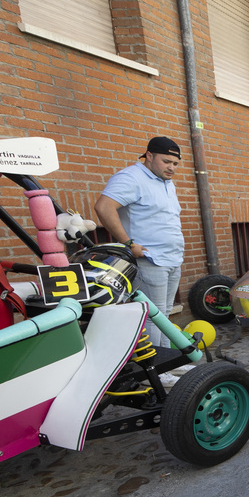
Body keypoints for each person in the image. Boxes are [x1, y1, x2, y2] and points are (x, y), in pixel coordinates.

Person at [94, 136, 185, 354]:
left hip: (171, 259)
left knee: (163, 314)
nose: (171, 168)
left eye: (175, 164)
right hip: (150, 260)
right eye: (166, 162)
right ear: (149, 156)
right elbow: (104, 207)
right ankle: (155, 369)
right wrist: (128, 243)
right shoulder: (131, 177)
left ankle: (167, 364)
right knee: (152, 318)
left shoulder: (166, 182)